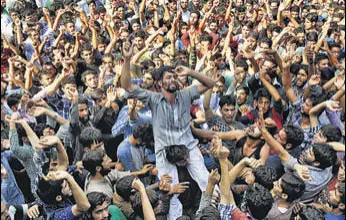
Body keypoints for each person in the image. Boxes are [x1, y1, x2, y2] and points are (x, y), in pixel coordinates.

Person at [121, 41, 216, 219]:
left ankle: (214, 215)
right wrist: (127, 60)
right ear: (159, 83)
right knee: (172, 193)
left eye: (174, 77)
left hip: (188, 148)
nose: (172, 80)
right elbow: (126, 85)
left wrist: (190, 72)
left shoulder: (186, 93)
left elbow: (211, 83)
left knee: (206, 181)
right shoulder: (153, 98)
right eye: (168, 77)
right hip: (164, 153)